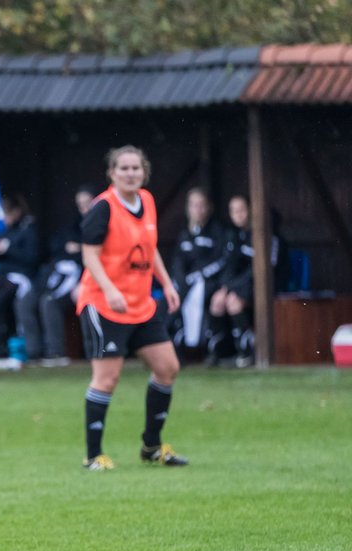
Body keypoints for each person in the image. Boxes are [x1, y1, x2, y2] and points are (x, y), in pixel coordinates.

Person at [77, 145, 186, 471]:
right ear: (112, 173)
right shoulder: (103, 208)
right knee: (107, 378)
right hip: (104, 304)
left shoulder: (148, 201)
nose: (130, 174)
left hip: (140, 303)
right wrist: (109, 290)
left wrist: (166, 284)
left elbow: (149, 250)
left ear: (144, 171)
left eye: (135, 168)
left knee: (167, 368)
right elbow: (90, 256)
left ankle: (152, 446)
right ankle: (93, 455)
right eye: (123, 168)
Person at [211, 195, 290, 368]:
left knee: (234, 302)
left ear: (251, 211)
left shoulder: (268, 237)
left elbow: (265, 270)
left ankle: (246, 351)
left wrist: (233, 289)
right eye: (233, 211)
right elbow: (230, 266)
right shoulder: (234, 236)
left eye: (241, 210)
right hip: (240, 286)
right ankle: (219, 352)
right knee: (217, 301)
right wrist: (225, 287)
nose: (238, 215)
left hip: (266, 286)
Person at [38, 186, 95, 366]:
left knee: (86, 301)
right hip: (71, 281)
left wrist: (80, 250)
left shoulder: (106, 225)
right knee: (46, 300)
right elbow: (58, 248)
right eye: (80, 205)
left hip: (98, 282)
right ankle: (54, 352)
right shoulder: (73, 227)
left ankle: (95, 353)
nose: (84, 209)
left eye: (88, 204)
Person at [169, 188, 229, 358]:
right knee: (171, 299)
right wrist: (182, 279)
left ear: (209, 207)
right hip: (186, 283)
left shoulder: (218, 231)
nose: (198, 209)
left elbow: (221, 260)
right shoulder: (185, 234)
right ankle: (174, 345)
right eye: (194, 205)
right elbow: (177, 262)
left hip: (210, 283)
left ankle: (201, 346)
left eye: (202, 205)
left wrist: (197, 276)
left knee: (197, 296)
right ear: (188, 208)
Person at [0, 194, 42, 362]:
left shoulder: (29, 229)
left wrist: (8, 249)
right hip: (2, 279)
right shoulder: (2, 231)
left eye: (7, 213)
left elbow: (32, 258)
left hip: (24, 279)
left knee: (17, 306)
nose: (3, 218)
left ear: (17, 212)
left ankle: (30, 350)